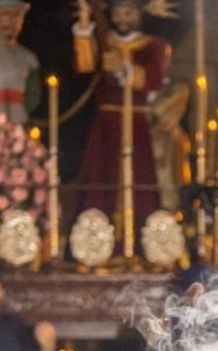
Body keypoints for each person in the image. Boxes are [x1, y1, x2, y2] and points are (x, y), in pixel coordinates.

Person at [72, 0, 184, 226]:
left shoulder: (154, 45)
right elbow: (84, 65)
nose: (122, 18)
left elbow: (154, 79)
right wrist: (85, 22)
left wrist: (126, 69)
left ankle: (141, 244)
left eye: (128, 12)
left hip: (137, 123)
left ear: (139, 14)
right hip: (106, 125)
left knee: (140, 183)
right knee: (101, 183)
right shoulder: (104, 41)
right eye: (117, 12)